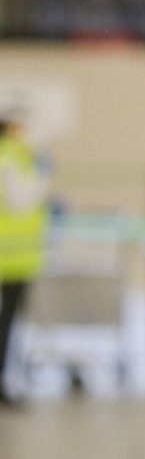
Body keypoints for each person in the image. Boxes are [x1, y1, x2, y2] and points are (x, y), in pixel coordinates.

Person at [0, 107, 46, 408]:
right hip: (10, 259)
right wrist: (44, 176)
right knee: (6, 325)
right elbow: (22, 200)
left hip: (15, 259)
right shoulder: (11, 157)